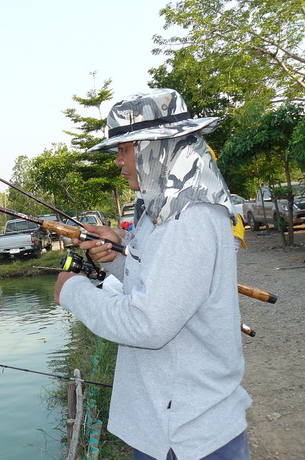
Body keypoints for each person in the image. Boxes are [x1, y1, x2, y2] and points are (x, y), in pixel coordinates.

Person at [54, 88, 251, 460]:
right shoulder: (163, 211)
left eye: (123, 150)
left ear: (153, 147)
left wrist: (73, 291)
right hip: (168, 425)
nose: (118, 162)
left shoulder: (189, 219)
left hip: (187, 436)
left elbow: (148, 325)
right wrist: (116, 255)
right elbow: (162, 285)